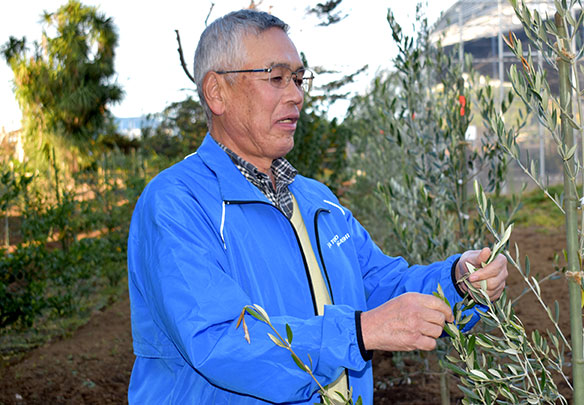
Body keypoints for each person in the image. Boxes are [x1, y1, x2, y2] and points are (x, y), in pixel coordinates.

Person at [127, 9, 508, 405]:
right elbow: (219, 343)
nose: (296, 94)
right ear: (216, 92)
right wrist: (359, 333)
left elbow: (377, 287)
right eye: (276, 78)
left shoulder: (315, 200)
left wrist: (457, 282)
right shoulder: (177, 203)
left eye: (297, 78)